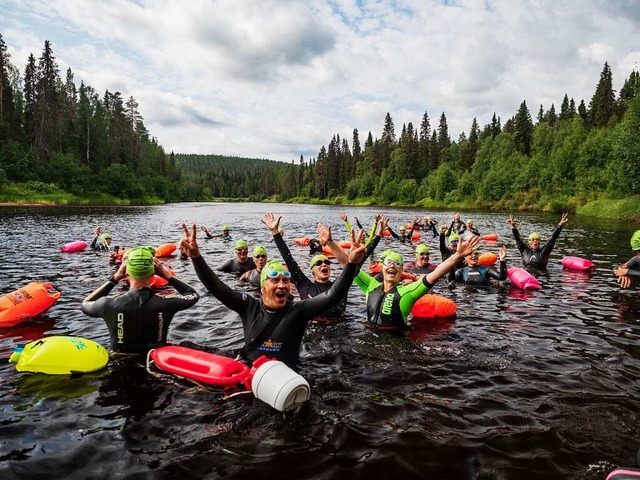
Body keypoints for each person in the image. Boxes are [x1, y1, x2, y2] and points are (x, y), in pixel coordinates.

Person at [179, 223, 366, 367]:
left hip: (288, 376)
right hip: (252, 370)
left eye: (286, 280)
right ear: (262, 287)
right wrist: (196, 257)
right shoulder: (248, 306)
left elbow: (333, 295)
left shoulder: (299, 310)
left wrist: (350, 264)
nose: (282, 284)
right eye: (275, 280)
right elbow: (216, 287)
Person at [80, 246, 200, 354]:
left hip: (120, 367)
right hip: (156, 362)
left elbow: (85, 303)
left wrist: (114, 279)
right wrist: (166, 275)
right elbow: (193, 294)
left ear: (126, 271)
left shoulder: (107, 304)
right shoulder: (167, 303)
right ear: (154, 272)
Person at [352, 235, 480, 331]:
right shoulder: (370, 285)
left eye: (397, 264)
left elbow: (435, 275)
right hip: (369, 337)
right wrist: (345, 252)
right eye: (388, 263)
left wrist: (458, 255)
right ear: (382, 268)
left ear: (401, 271)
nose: (392, 265)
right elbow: (349, 268)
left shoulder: (407, 292)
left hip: (394, 346)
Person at [263, 212, 354, 320]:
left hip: (341, 330)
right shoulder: (305, 286)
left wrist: (330, 242)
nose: (324, 264)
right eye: (318, 263)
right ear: (312, 271)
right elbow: (289, 260)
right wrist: (275, 233)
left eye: (327, 262)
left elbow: (351, 268)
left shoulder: (339, 286)